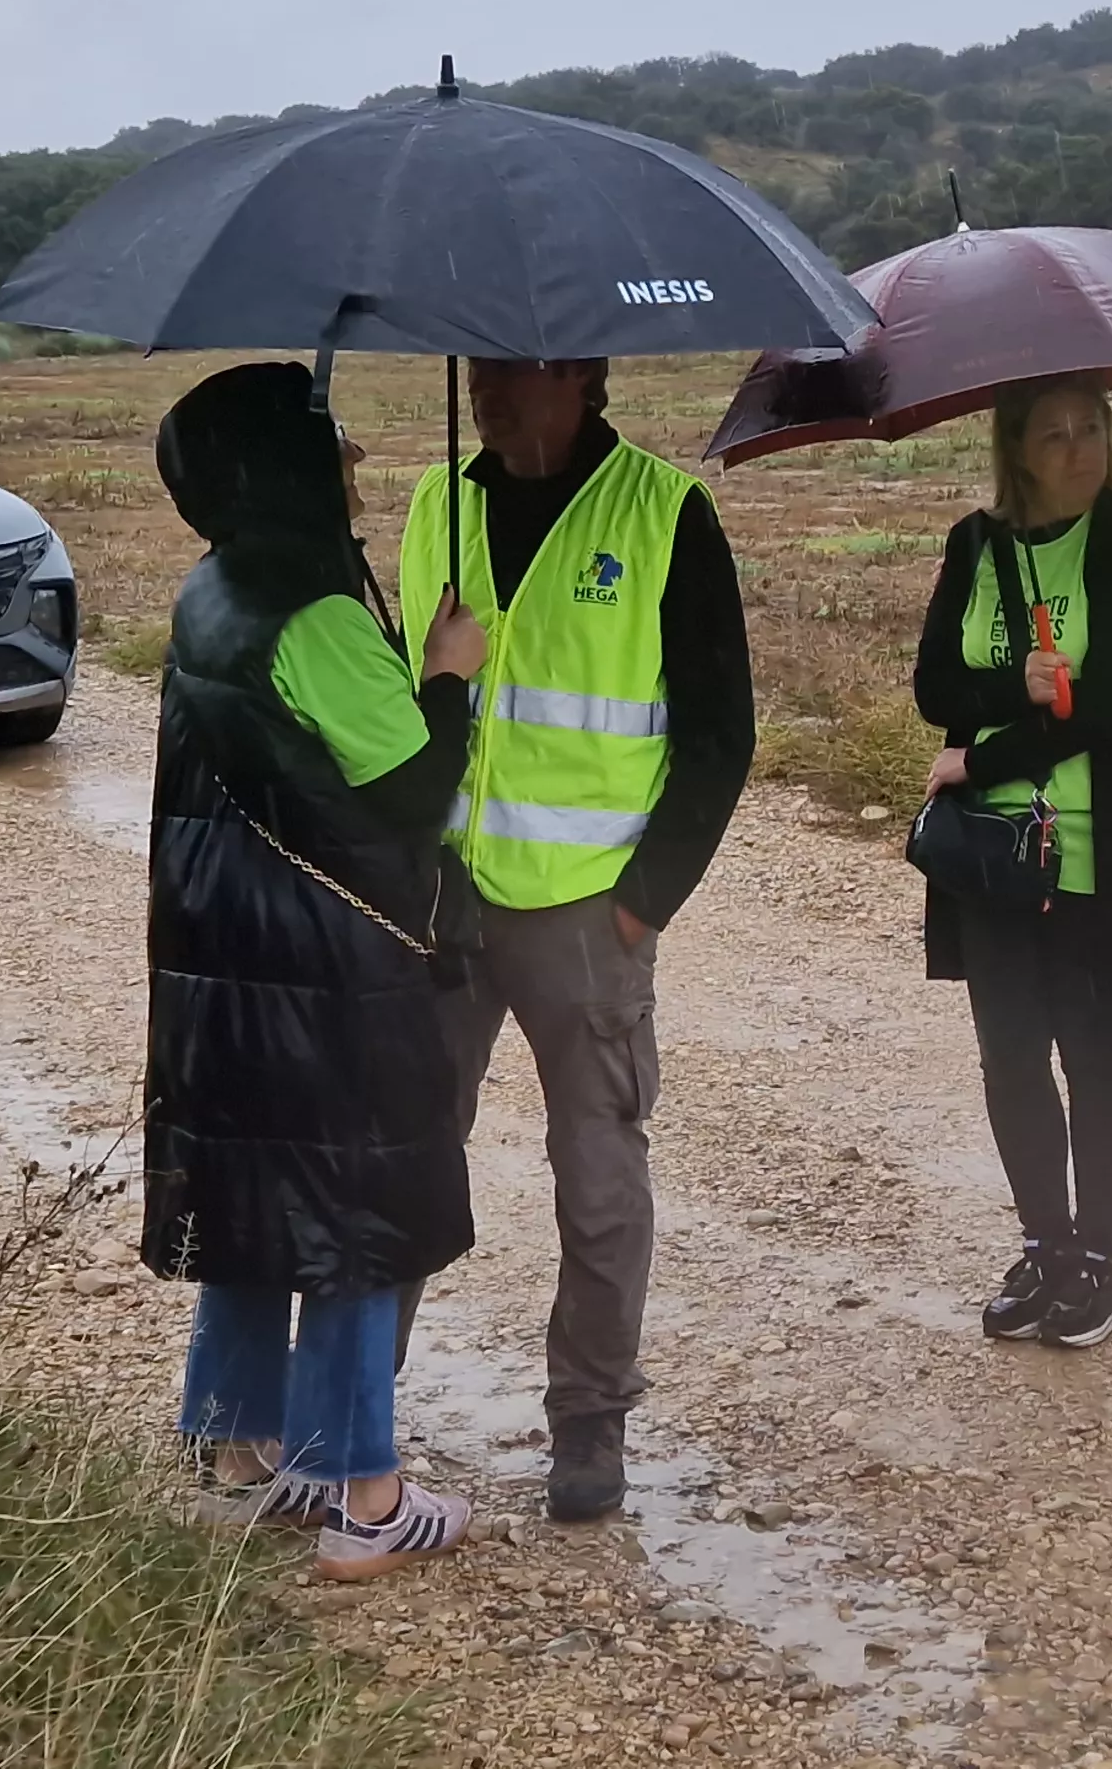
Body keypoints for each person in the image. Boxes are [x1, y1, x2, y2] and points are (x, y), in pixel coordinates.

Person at [142, 360, 489, 1580]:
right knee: (357, 1210)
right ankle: (365, 1496)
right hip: (330, 957)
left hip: (221, 947)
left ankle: (236, 1450)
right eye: (333, 445)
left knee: (248, 1200)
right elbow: (405, 794)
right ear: (283, 464)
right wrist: (448, 674)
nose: (357, 464)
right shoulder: (316, 612)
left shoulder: (212, 589)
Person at [396, 357, 755, 1519]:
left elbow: (720, 732)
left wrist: (644, 898)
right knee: (400, 1151)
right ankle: (353, 1411)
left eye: (522, 366)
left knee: (596, 1176)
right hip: (444, 899)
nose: (494, 388)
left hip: (588, 910)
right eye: (481, 364)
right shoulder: (434, 505)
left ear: (587, 374)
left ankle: (588, 1426)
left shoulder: (662, 513)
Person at [914, 375, 1112, 1348]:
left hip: (1096, 850)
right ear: (1015, 448)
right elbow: (932, 680)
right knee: (1011, 1051)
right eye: (1055, 434)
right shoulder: (974, 543)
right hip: (993, 857)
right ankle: (1046, 1245)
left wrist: (979, 753)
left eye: (1092, 429)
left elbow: (1108, 705)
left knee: (1092, 1046)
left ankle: (1100, 1259)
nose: (1078, 449)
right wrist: (1008, 682)